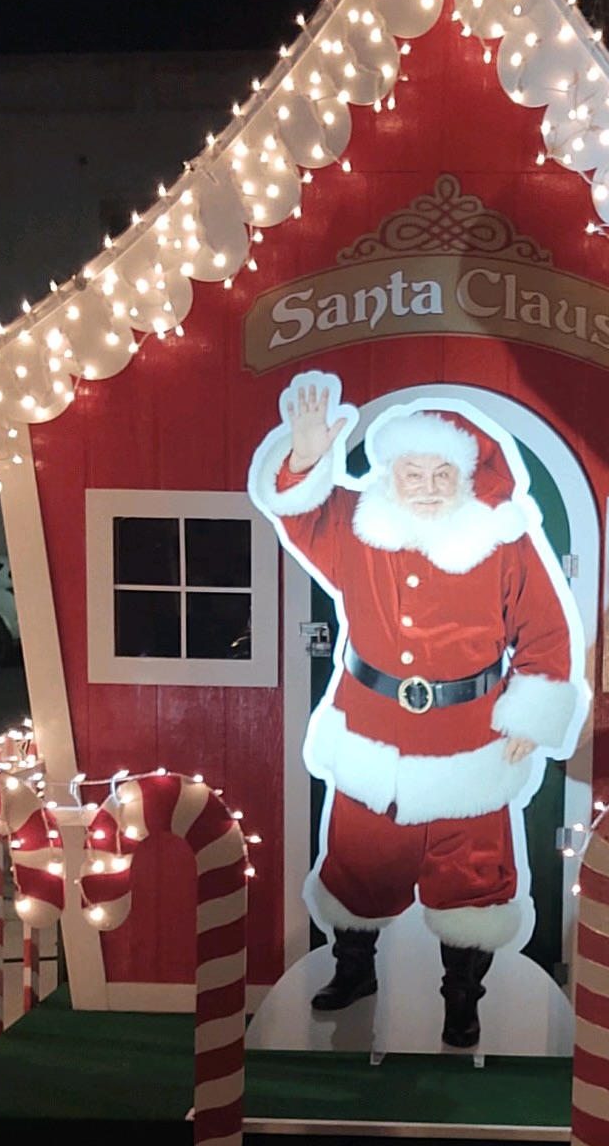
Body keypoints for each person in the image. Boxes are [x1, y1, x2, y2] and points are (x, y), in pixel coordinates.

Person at [248, 373, 588, 1046]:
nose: (427, 485)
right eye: (414, 471)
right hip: (370, 732)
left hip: (472, 744)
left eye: (442, 473)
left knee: (473, 881)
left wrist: (532, 713)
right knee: (356, 863)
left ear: (466, 478)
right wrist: (309, 455)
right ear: (390, 472)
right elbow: (298, 511)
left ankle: (463, 999)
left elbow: (546, 629)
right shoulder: (356, 524)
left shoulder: (503, 541)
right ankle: (355, 971)